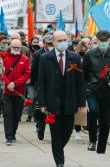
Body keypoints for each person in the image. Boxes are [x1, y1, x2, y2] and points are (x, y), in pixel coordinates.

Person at [37, 30, 86, 167]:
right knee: (56, 134)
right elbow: (41, 82)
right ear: (53, 42)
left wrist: (81, 102)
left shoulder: (74, 57)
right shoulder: (45, 58)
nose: (63, 42)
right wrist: (42, 102)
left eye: (65, 40)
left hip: (70, 101)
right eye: (60, 40)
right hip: (52, 102)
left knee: (67, 131)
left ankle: (58, 149)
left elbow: (80, 81)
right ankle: (60, 162)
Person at [83, 30, 110, 154]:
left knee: (105, 120)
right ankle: (92, 140)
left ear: (109, 41)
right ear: (97, 41)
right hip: (92, 89)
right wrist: (84, 90)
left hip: (106, 92)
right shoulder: (89, 54)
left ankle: (101, 145)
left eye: (106, 41)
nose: (104, 43)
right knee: (93, 111)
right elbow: (84, 74)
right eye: (101, 41)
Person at [1, 39, 31, 146]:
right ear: (10, 47)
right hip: (6, 91)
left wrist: (15, 83)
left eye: (18, 47)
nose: (16, 49)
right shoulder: (4, 57)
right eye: (14, 47)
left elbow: (27, 74)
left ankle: (13, 132)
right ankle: (8, 136)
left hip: (19, 91)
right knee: (8, 113)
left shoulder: (25, 59)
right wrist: (8, 83)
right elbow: (1, 73)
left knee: (17, 114)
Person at [31, 35, 54, 140]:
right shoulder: (38, 54)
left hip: (53, 85)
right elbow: (34, 70)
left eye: (51, 44)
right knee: (40, 108)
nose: (50, 46)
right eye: (48, 44)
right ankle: (40, 127)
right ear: (44, 43)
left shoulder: (57, 53)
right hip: (41, 84)